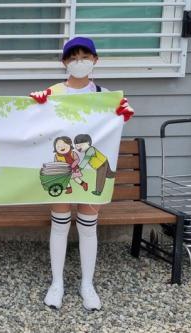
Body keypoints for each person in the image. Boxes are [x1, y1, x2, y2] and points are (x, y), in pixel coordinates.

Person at [30, 36, 134, 311]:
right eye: (73, 57)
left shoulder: (104, 96)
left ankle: (87, 284)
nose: (79, 62)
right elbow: (31, 124)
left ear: (95, 60)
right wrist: (34, 104)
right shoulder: (53, 92)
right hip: (61, 168)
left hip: (90, 170)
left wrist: (122, 114)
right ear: (64, 62)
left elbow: (111, 129)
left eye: (85, 57)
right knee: (60, 224)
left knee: (88, 226)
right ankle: (57, 283)